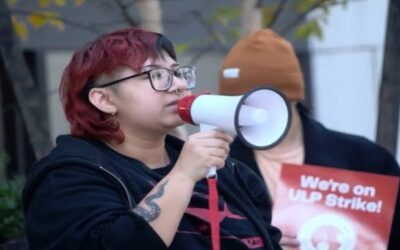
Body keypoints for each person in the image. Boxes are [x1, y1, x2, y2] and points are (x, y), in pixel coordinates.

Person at [22, 27, 282, 250]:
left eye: (178, 72)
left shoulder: (230, 174)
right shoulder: (67, 178)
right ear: (104, 100)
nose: (180, 85)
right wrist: (183, 176)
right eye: (156, 75)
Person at [218, 29, 400, 250]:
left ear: (290, 97)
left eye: (259, 102)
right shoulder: (221, 168)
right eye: (237, 104)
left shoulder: (366, 159)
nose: (248, 113)